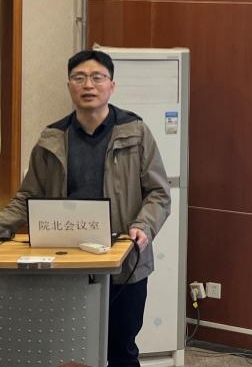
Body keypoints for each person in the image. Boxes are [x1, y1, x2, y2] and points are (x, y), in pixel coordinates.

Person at [0, 49, 171, 367]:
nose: (88, 85)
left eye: (97, 77)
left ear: (111, 85)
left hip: (123, 263)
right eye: (79, 78)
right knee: (66, 349)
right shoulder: (52, 137)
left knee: (121, 350)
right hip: (67, 265)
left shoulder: (135, 131)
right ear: (69, 86)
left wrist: (143, 226)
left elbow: (159, 193)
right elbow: (26, 197)